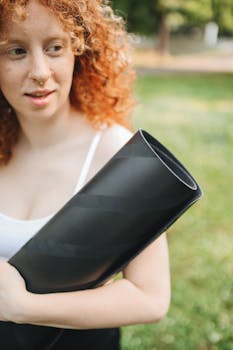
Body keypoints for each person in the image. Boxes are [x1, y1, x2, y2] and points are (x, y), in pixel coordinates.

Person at [0, 0, 171, 349]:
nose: (40, 71)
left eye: (55, 48)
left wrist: (24, 307)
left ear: (80, 50)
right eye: (16, 51)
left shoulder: (116, 153)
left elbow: (150, 296)